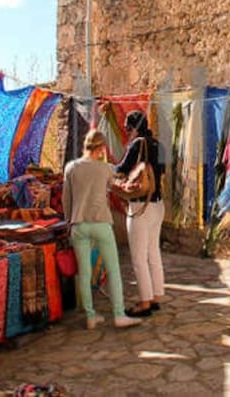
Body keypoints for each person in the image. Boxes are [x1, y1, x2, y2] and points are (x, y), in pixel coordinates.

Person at [62, 129, 143, 329]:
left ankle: (90, 315)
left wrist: (68, 222)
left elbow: (67, 199)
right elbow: (116, 188)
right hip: (101, 223)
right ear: (100, 148)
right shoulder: (105, 169)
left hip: (78, 224)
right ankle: (118, 314)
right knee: (113, 269)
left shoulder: (71, 168)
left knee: (84, 272)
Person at [115, 110, 166, 317]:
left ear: (134, 127)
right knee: (153, 252)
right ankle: (155, 296)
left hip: (140, 206)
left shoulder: (138, 145)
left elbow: (122, 168)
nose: (127, 132)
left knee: (138, 257)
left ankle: (144, 303)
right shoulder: (158, 145)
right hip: (157, 204)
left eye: (128, 128)